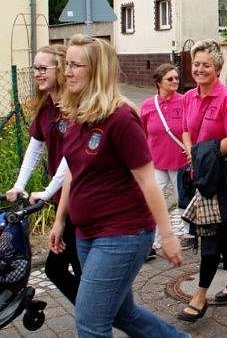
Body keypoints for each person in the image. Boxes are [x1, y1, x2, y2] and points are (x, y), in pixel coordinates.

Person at [49, 35, 188, 338]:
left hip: (123, 233)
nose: (67, 71)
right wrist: (61, 219)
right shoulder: (76, 116)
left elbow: (147, 179)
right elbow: (75, 170)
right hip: (87, 234)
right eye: (66, 64)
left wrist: (167, 235)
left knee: (90, 323)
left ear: (96, 70)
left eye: (75, 65)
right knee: (123, 313)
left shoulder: (121, 117)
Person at [177, 39, 227, 323]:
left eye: (206, 64)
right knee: (223, 234)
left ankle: (200, 294)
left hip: (220, 177)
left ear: (217, 68)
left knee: (210, 236)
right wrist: (191, 151)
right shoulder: (188, 97)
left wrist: (206, 153)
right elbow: (184, 129)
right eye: (196, 64)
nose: (200, 69)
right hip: (199, 175)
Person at [6, 44, 80, 304]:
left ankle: (97, 319)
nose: (37, 73)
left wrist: (48, 191)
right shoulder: (45, 108)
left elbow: (71, 157)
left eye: (42, 68)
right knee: (60, 269)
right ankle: (97, 316)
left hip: (80, 196)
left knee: (63, 268)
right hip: (63, 200)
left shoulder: (76, 106)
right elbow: (34, 149)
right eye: (34, 68)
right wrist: (19, 185)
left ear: (59, 70)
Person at [139, 63, 192, 255]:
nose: (175, 81)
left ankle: (189, 234)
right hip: (157, 162)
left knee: (183, 200)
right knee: (153, 201)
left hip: (181, 162)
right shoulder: (147, 106)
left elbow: (190, 129)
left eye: (176, 78)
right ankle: (150, 243)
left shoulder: (185, 101)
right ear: (158, 82)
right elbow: (143, 133)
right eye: (170, 78)